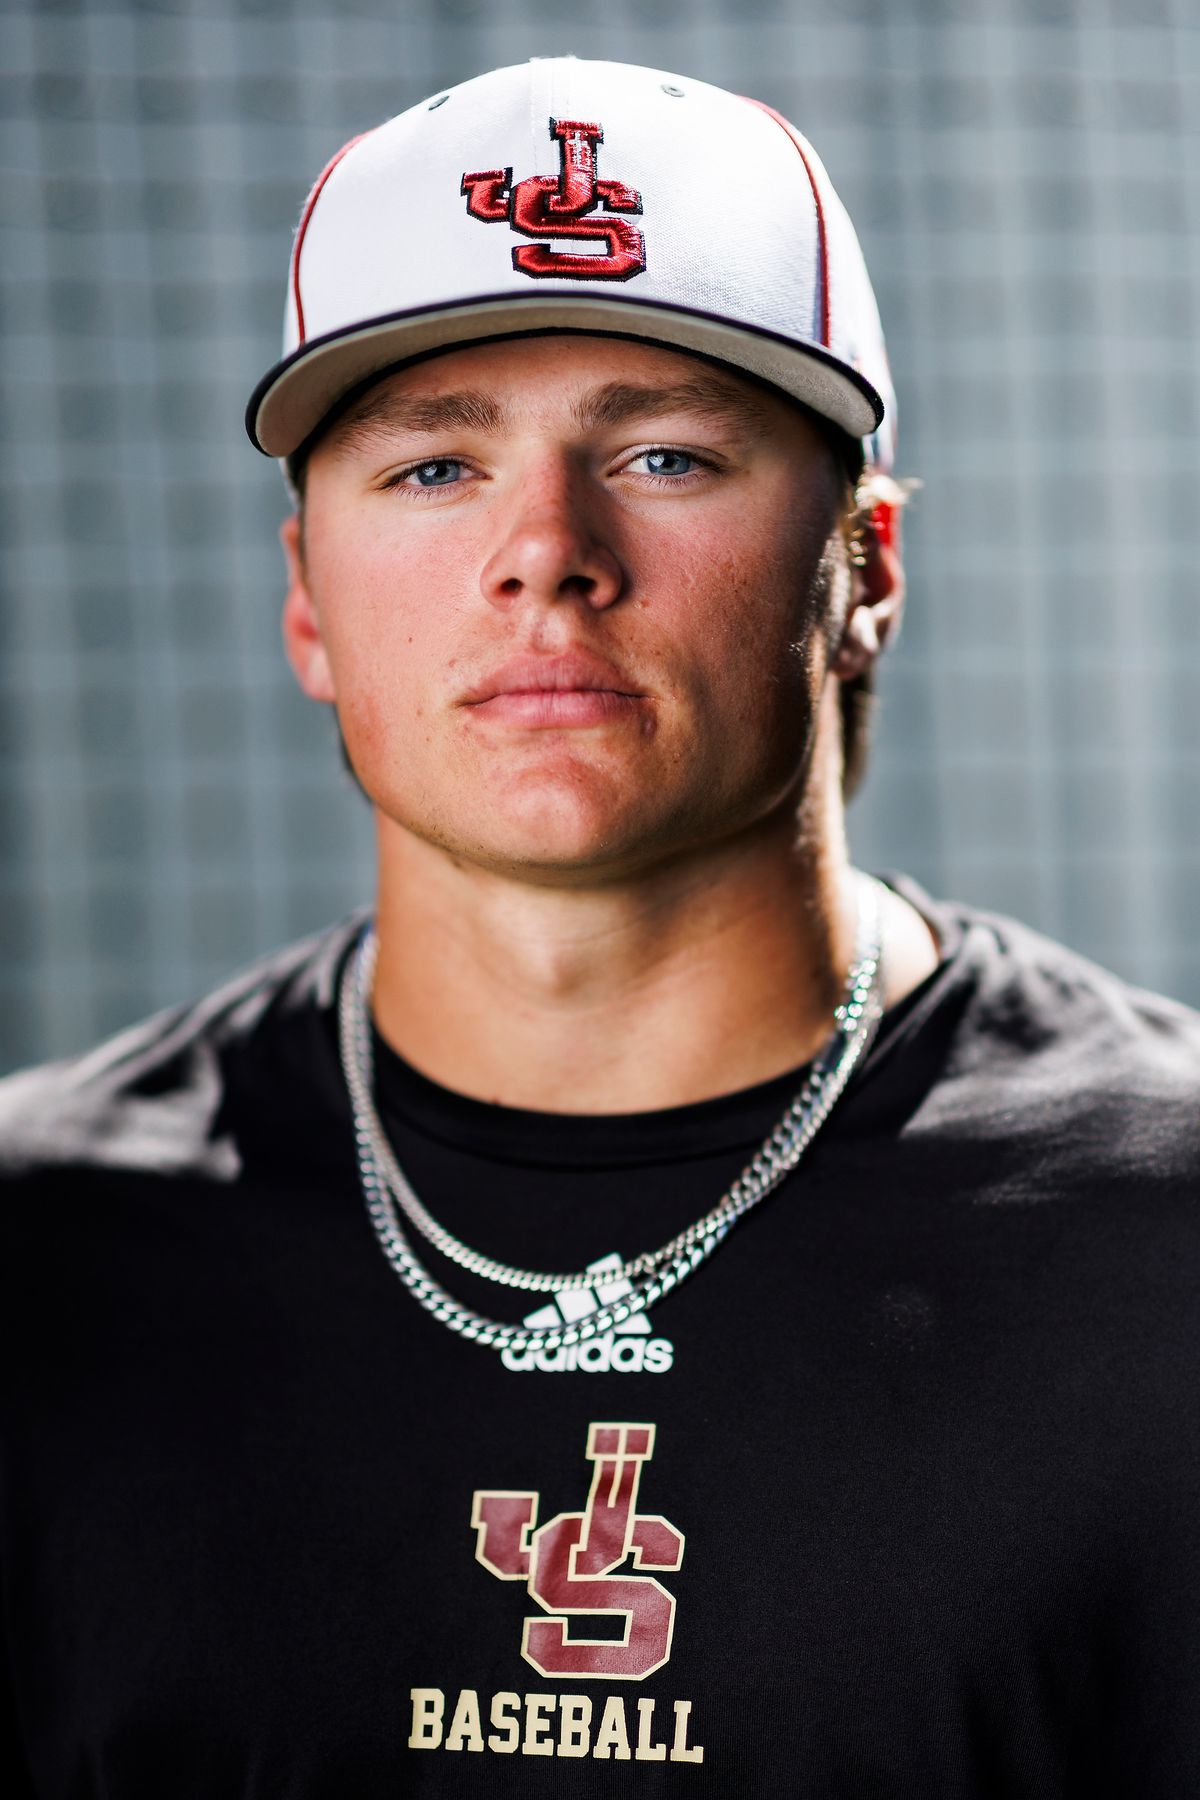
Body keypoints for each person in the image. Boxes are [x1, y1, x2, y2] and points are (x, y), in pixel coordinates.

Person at [2, 56, 1198, 1799]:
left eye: (663, 452)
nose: (544, 552)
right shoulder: (42, 1259)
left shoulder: (1167, 1246)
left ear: (865, 568)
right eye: (431, 469)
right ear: (306, 604)